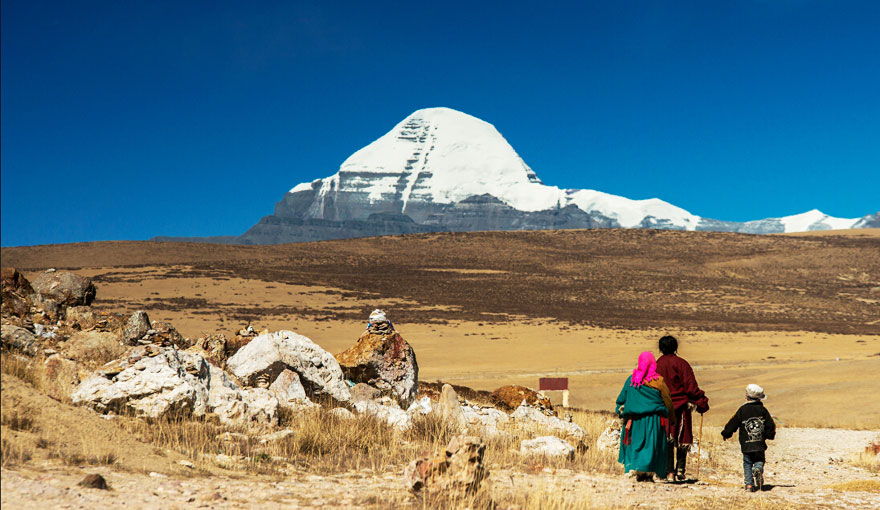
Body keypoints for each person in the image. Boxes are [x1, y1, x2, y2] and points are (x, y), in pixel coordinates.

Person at [655, 335, 710, 481]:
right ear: (675, 348)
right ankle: (680, 470)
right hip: (681, 407)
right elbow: (690, 386)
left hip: (663, 407)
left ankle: (669, 472)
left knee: (668, 437)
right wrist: (701, 401)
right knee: (681, 437)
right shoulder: (681, 364)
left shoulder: (656, 365)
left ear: (660, 348)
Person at [615, 351, 676, 481]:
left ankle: (634, 469)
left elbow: (621, 400)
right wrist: (672, 418)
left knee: (635, 445)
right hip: (653, 422)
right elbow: (668, 400)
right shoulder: (658, 382)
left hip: (634, 421)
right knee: (652, 447)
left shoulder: (631, 381)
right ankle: (650, 471)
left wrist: (621, 412)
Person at [721, 384, 776, 492]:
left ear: (747, 396)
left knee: (747, 463)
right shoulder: (763, 410)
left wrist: (726, 433)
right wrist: (769, 435)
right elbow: (770, 424)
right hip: (759, 443)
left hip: (746, 444)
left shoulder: (742, 410)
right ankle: (758, 468)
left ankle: (749, 485)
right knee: (760, 459)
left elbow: (733, 423)